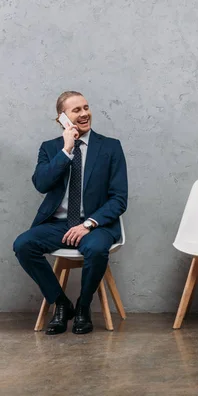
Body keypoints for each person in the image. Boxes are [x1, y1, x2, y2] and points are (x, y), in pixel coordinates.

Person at [13, 91, 128, 335]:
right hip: (59, 224)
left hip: (96, 225)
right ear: (62, 119)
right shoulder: (50, 148)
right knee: (23, 245)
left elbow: (119, 198)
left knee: (97, 250)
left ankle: (84, 306)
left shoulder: (111, 147)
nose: (84, 113)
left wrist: (88, 225)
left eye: (86, 107)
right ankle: (62, 304)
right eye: (76, 110)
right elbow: (41, 184)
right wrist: (66, 150)